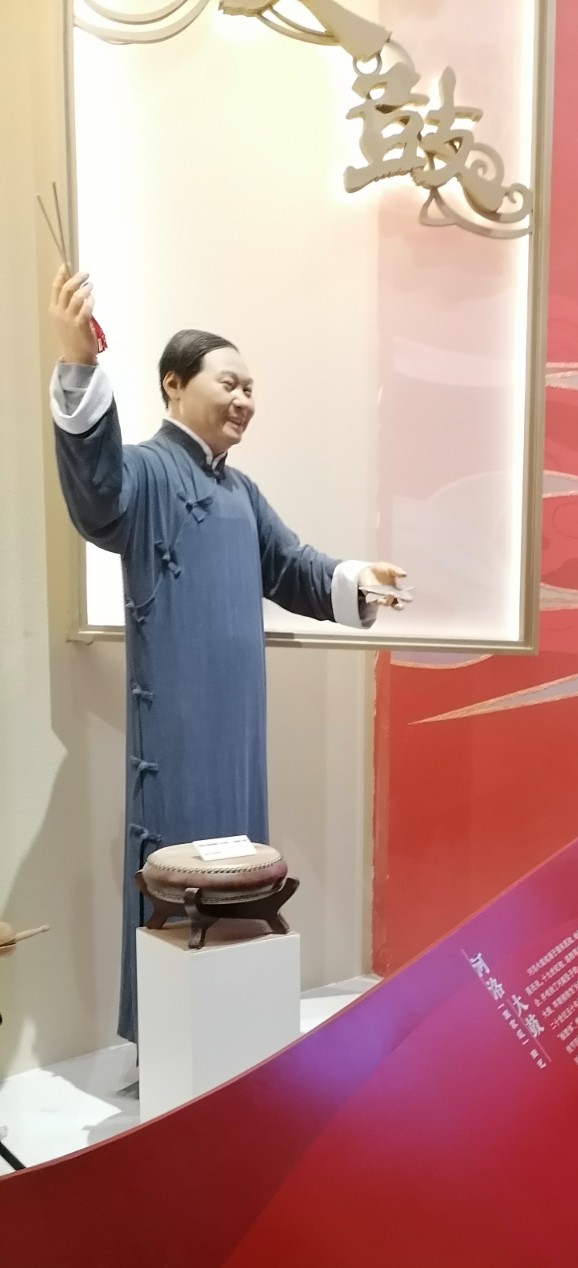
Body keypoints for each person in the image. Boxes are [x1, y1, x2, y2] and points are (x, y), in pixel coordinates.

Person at [48, 265, 408, 1045]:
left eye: (251, 388)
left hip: (240, 722)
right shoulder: (146, 471)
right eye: (230, 382)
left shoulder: (241, 492)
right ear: (174, 385)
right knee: (178, 864)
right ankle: (171, 1041)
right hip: (176, 723)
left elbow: (291, 566)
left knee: (242, 859)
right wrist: (79, 364)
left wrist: (356, 578)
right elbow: (96, 497)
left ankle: (231, 1035)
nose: (245, 399)